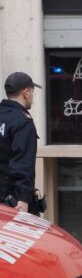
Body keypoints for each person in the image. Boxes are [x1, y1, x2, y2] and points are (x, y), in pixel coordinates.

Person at [0, 72, 42, 214]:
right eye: (32, 93)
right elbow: (23, 162)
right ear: (26, 92)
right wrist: (23, 199)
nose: (32, 98)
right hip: (12, 201)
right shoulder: (23, 122)